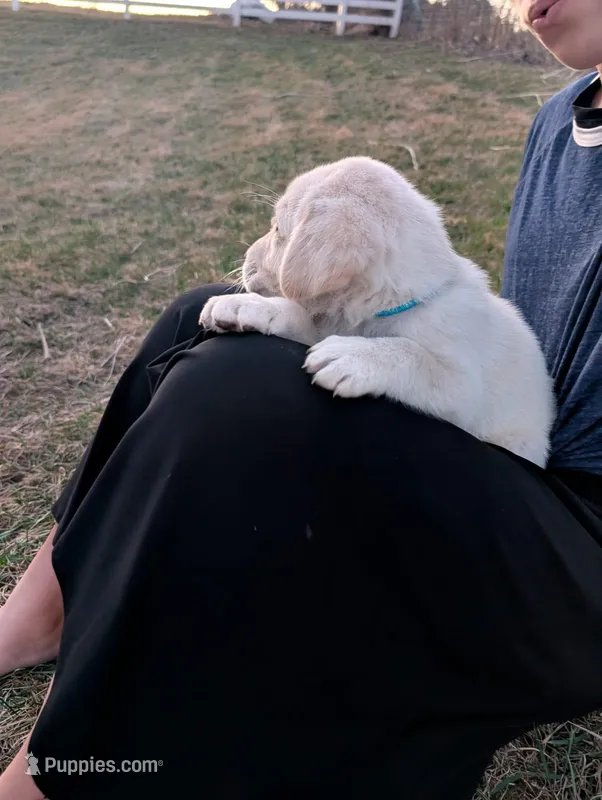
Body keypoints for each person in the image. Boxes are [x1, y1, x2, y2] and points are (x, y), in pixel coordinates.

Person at [0, 1, 601, 796]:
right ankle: (42, 612)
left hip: (579, 559)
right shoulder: (564, 116)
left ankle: (56, 775)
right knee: (199, 314)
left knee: (233, 391)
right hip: (525, 454)